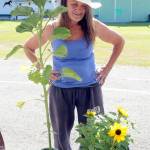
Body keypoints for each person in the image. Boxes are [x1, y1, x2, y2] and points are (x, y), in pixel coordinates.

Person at [24, 0, 125, 149]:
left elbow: (119, 41)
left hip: (89, 88)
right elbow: (28, 47)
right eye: (74, 4)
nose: (79, 9)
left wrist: (107, 69)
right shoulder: (52, 28)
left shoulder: (93, 25)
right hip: (60, 90)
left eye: (83, 6)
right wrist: (43, 69)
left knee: (92, 136)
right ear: (64, 4)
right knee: (61, 137)